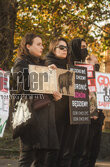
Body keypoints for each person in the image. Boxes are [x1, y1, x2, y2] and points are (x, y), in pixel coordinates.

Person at [12, 33, 61, 167]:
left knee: (42, 160)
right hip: (30, 119)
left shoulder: (43, 64)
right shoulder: (20, 63)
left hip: (45, 119)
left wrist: (54, 95)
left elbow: (45, 92)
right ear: (28, 46)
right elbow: (23, 84)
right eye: (38, 44)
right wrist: (45, 73)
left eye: (42, 44)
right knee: (27, 158)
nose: (42, 47)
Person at [45, 38, 77, 167]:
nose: (65, 50)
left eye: (66, 48)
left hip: (67, 115)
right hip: (52, 115)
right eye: (61, 47)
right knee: (52, 151)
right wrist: (48, 70)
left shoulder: (69, 65)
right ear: (53, 49)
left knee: (63, 150)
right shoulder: (47, 63)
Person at [69, 38, 90, 167]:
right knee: (70, 149)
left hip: (83, 112)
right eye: (82, 47)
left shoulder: (86, 67)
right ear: (75, 47)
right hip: (71, 113)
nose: (85, 50)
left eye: (86, 47)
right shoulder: (68, 63)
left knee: (80, 149)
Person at [84, 55, 105, 167]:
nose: (94, 60)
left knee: (94, 149)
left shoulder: (100, 77)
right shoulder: (81, 74)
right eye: (89, 59)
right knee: (86, 149)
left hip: (98, 118)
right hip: (86, 118)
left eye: (96, 60)